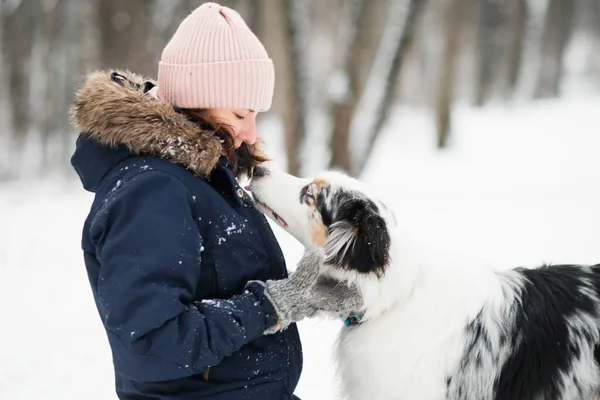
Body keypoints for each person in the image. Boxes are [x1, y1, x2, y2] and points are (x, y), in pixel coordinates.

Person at [69, 3, 361, 400]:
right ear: (197, 98)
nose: (249, 131)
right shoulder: (151, 191)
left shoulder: (199, 178)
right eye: (241, 114)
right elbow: (152, 344)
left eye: (256, 114)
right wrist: (273, 304)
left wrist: (305, 295)